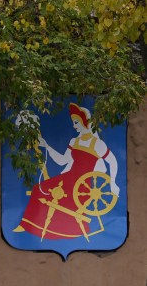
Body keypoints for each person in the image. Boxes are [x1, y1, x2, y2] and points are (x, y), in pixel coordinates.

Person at [14, 103, 119, 240]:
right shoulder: (74, 141)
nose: (74, 126)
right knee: (38, 188)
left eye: (76, 122)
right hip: (68, 179)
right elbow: (62, 161)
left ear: (84, 122)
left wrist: (112, 182)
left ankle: (45, 228)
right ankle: (26, 225)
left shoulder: (97, 144)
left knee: (47, 192)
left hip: (81, 186)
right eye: (73, 122)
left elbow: (113, 161)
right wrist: (47, 145)